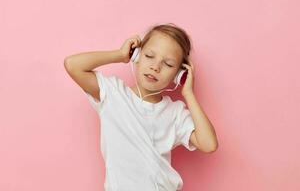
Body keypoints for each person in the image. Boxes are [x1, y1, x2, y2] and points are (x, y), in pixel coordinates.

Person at [64, 23, 218, 191]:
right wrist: (120, 55)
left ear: (178, 74)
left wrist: (188, 93)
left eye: (168, 64)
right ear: (137, 55)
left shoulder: (175, 113)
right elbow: (72, 65)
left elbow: (209, 144)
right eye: (149, 56)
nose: (155, 67)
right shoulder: (113, 94)